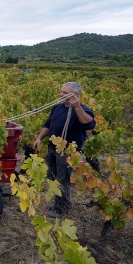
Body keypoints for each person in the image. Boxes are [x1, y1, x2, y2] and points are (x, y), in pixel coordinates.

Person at [32, 82, 96, 218]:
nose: (61, 95)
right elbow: (48, 124)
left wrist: (77, 107)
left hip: (67, 152)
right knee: (52, 177)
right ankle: (59, 203)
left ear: (75, 95)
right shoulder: (57, 108)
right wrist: (39, 138)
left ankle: (61, 208)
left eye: (65, 93)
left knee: (62, 180)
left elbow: (89, 124)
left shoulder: (83, 110)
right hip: (52, 148)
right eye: (61, 92)